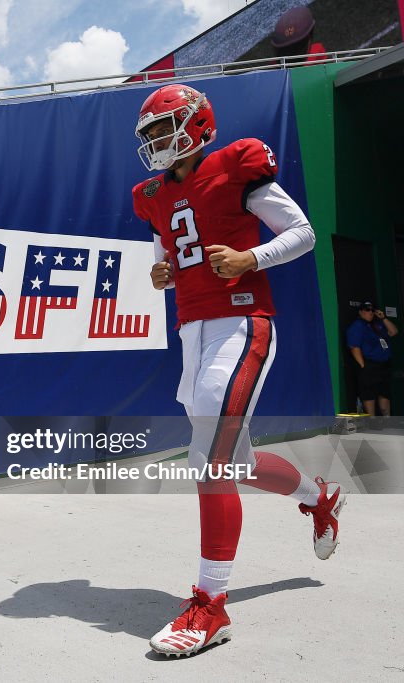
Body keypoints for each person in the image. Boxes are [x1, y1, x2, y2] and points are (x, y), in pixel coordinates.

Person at [131, 83, 346, 657]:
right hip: (194, 331)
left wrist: (252, 258)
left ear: (197, 124)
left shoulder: (235, 164)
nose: (156, 142)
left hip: (244, 323)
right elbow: (171, 259)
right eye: (150, 134)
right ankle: (319, 495)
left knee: (210, 458)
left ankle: (211, 604)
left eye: (163, 129)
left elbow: (302, 233)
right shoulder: (151, 193)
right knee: (236, 461)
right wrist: (164, 275)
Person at [346, 301, 397, 416]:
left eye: (372, 310)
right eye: (367, 310)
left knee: (384, 392)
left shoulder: (378, 324)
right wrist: (363, 365)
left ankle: (387, 419)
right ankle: (372, 420)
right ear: (361, 312)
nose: (370, 312)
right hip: (369, 364)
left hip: (383, 364)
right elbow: (354, 347)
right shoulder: (357, 326)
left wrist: (383, 318)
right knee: (368, 393)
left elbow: (393, 331)